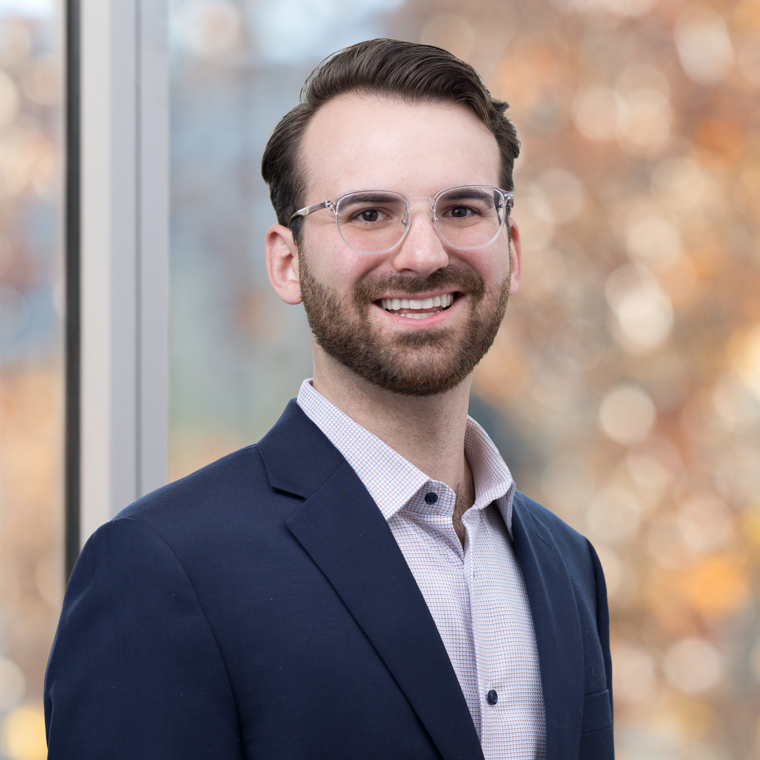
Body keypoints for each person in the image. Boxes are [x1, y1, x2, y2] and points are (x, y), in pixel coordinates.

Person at [45, 38, 613, 760]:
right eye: (368, 213)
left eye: (463, 209)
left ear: (513, 249)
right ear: (288, 262)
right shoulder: (160, 567)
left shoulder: (569, 566)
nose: (423, 254)